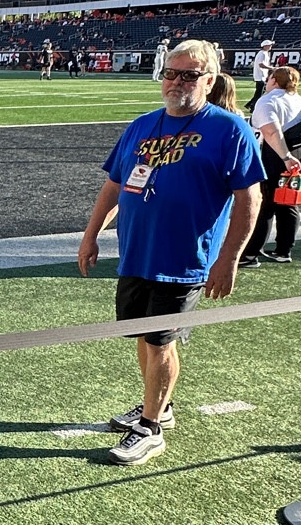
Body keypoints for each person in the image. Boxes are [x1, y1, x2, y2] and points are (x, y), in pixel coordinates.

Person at [76, 38, 263, 467]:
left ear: (209, 80)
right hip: (138, 252)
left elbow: (249, 198)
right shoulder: (142, 125)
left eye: (189, 75)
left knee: (161, 340)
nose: (177, 82)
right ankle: (158, 406)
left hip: (186, 259)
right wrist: (91, 235)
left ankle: (151, 428)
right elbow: (115, 185)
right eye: (171, 73)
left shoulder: (228, 129)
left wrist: (229, 257)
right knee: (145, 335)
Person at [240, 67, 301, 269]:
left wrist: (285, 157)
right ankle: (284, 250)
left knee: (264, 205)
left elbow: (271, 132)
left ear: (273, 80)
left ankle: (250, 254)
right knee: (288, 204)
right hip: (299, 155)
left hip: (275, 156)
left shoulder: (268, 101)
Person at [251, 39, 274, 104]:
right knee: (259, 93)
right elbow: (261, 64)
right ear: (265, 46)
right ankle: (253, 105)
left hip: (262, 75)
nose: (271, 46)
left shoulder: (264, 53)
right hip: (260, 76)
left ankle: (251, 104)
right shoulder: (262, 54)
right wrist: (271, 68)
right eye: (269, 45)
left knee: (259, 92)